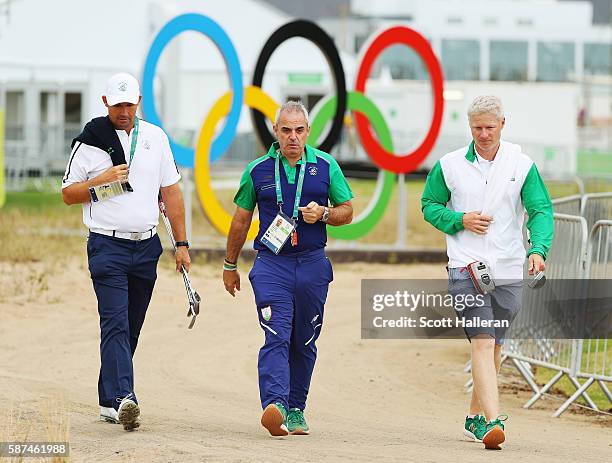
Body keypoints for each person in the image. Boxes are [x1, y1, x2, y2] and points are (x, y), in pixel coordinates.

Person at [421, 95, 553, 450]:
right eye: (477, 127)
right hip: (465, 265)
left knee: (494, 346)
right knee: (481, 340)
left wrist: (538, 250)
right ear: (470, 127)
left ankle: (473, 418)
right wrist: (458, 220)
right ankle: (494, 422)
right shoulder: (449, 165)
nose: (483, 134)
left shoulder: (521, 164)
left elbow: (540, 210)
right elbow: (429, 205)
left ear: (502, 125)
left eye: (489, 127)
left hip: (508, 265)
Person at [61, 72, 190, 431]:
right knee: (115, 322)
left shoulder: (155, 138)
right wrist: (100, 181)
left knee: (131, 326)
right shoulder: (90, 142)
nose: (123, 111)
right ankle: (124, 399)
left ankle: (107, 398)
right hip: (106, 245)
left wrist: (181, 244)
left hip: (147, 246)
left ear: (138, 103)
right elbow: (68, 194)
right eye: (116, 104)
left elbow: (172, 193)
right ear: (105, 103)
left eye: (129, 104)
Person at [223, 100, 353, 436]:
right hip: (271, 264)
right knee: (276, 334)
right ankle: (275, 404)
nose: (292, 137)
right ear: (276, 132)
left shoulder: (325, 166)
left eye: (298, 130)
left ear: (308, 132)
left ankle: (296, 409)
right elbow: (241, 219)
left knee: (304, 340)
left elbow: (347, 210)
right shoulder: (258, 170)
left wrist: (324, 213)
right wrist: (229, 264)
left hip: (311, 264)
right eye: (286, 130)